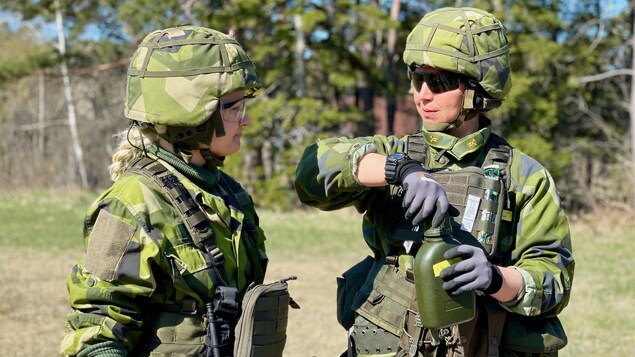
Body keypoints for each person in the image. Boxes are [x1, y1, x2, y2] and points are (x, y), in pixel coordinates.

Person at [294, 7, 574, 357]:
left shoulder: (523, 177)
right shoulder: (392, 153)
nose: (422, 94)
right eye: (417, 78)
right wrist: (399, 170)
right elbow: (311, 171)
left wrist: (497, 279)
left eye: (439, 82)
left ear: (478, 88)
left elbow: (555, 281)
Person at [61, 26, 272, 357]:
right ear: (192, 115)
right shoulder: (131, 202)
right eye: (233, 108)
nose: (244, 121)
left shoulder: (228, 192)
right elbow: (99, 332)